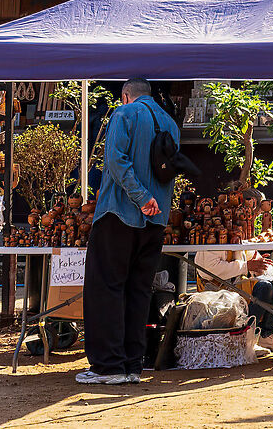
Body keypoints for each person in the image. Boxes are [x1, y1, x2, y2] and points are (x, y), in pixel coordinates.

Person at [79, 76, 179, 385]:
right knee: (139, 290)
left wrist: (141, 197)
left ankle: (108, 367)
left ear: (125, 95)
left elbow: (116, 161)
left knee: (106, 287)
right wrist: (152, 201)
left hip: (119, 213)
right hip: (156, 219)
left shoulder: (123, 114)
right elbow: (170, 169)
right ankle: (133, 365)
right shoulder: (170, 122)